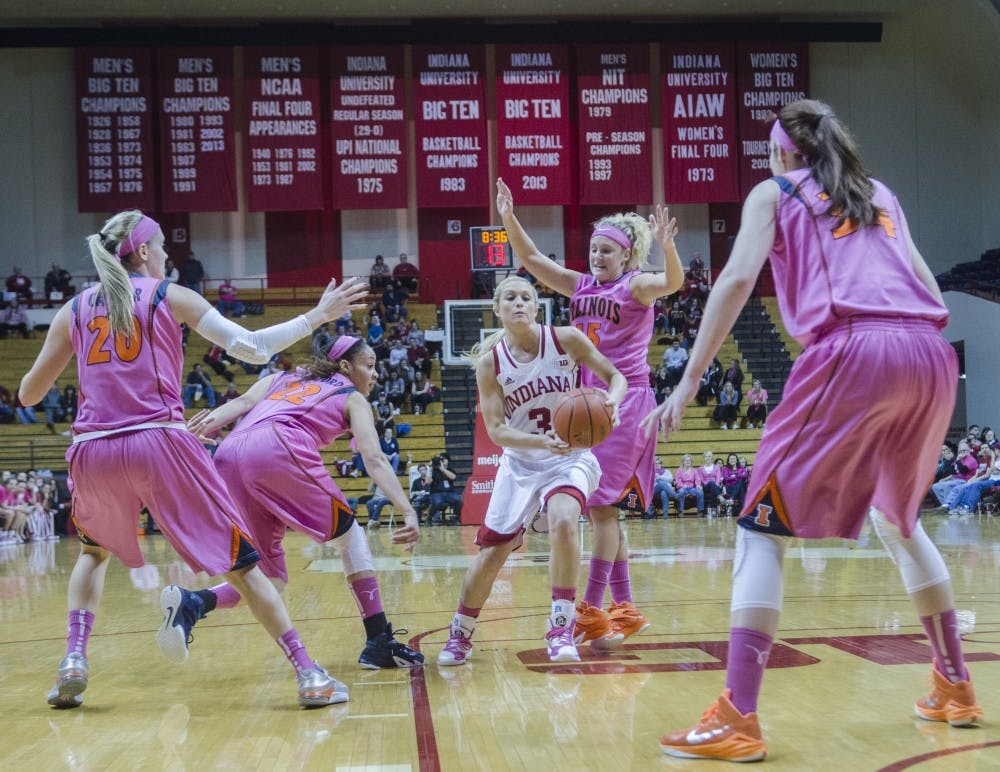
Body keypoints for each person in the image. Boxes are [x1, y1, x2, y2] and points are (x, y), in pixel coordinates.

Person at [641, 99, 982, 762]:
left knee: (759, 527)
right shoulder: (881, 193)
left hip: (854, 347)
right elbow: (929, 291)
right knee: (899, 521)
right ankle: (954, 684)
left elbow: (738, 278)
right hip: (932, 355)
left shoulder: (773, 192)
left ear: (778, 155)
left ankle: (738, 715)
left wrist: (686, 381)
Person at [18, 209, 369, 710]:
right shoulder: (168, 296)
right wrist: (316, 316)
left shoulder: (72, 310)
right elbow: (250, 348)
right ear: (142, 251)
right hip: (157, 441)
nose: (167, 254)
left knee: (93, 554)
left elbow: (30, 395)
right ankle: (309, 674)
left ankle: (74, 659)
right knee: (243, 564)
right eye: (161, 246)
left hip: (93, 449)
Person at [496, 177, 683, 649]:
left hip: (625, 401)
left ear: (625, 257)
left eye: (607, 251)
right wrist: (508, 219)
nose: (598, 257)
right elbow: (534, 261)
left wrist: (668, 249)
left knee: (600, 509)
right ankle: (621, 610)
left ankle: (590, 613)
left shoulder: (636, 286)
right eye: (594, 249)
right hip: (588, 402)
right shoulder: (579, 285)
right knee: (605, 512)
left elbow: (673, 283)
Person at [183, 335, 423, 670]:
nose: (375, 374)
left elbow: (239, 405)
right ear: (345, 366)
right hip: (278, 447)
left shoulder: (279, 377)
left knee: (269, 578)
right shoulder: (352, 397)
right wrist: (407, 509)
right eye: (369, 366)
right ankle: (378, 641)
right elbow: (374, 458)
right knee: (349, 536)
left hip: (228, 453)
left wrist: (189, 433)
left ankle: (194, 602)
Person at [437, 276, 626, 666]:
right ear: (498, 309)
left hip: (570, 457)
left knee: (562, 520)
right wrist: (543, 442)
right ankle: (460, 632)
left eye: (527, 297)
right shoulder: (490, 364)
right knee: (494, 553)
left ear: (537, 307)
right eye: (511, 298)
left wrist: (611, 404)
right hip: (521, 462)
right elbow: (497, 431)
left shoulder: (566, 340)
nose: (519, 303)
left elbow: (616, 378)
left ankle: (560, 626)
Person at [428, 453, 463, 525]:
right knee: (437, 503)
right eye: (441, 460)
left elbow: (453, 477)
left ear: (448, 461)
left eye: (444, 459)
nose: (442, 461)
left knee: (458, 500)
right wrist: (429, 468)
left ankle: (456, 517)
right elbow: (428, 482)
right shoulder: (434, 471)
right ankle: (429, 517)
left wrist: (443, 469)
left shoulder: (450, 470)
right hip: (436, 493)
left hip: (449, 492)